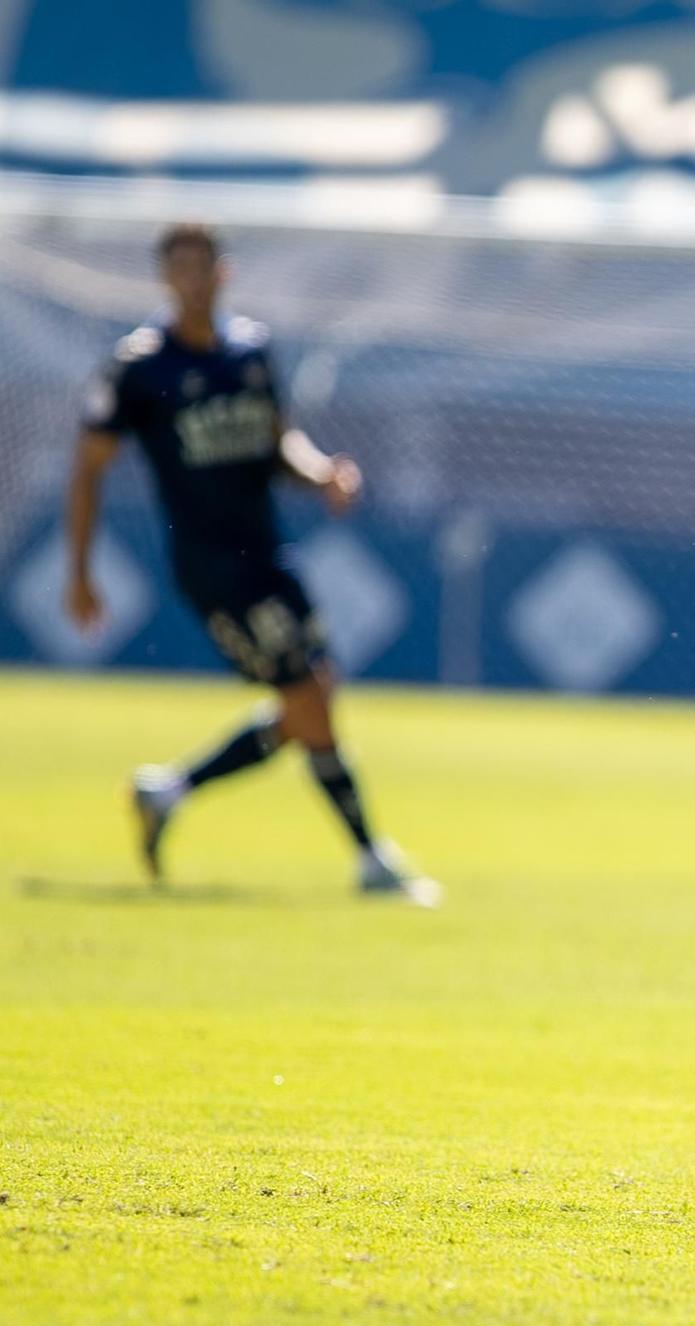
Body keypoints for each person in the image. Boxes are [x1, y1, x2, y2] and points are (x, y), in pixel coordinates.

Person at [63, 223, 437, 907]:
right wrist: (80, 571)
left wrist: (322, 473)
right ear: (163, 279)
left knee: (311, 696)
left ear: (221, 273)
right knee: (309, 699)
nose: (189, 280)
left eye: (199, 267)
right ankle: (370, 856)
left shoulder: (253, 352)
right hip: (211, 564)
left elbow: (277, 441)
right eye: (176, 268)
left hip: (268, 551)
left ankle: (170, 789)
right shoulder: (140, 366)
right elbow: (88, 467)